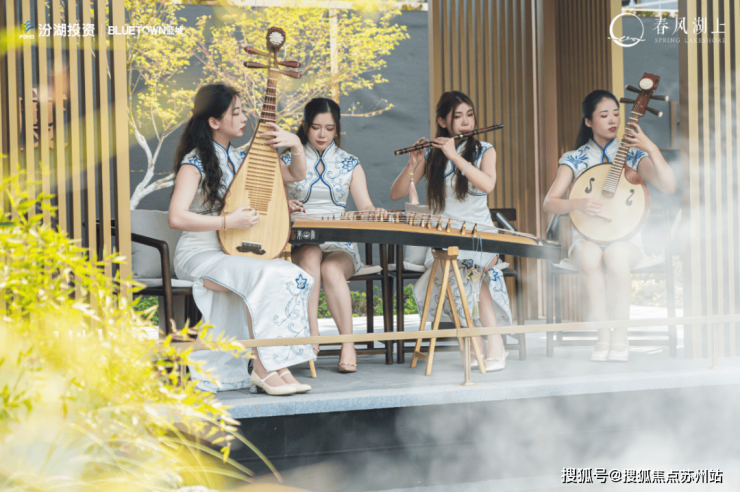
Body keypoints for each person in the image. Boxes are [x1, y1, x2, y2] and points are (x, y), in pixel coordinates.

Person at [169, 83, 316, 395]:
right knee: (267, 274)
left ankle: (279, 364)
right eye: (235, 112)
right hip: (201, 254)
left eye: (242, 110)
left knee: (293, 274)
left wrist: (295, 144)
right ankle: (263, 368)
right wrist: (228, 221)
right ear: (214, 121)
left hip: (235, 252)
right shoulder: (194, 162)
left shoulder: (240, 158)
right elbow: (176, 217)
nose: (243, 117)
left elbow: (295, 174)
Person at [542, 89, 677, 362]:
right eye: (604, 115)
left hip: (627, 241)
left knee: (615, 255)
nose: (613, 119)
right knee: (590, 255)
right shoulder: (574, 158)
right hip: (586, 238)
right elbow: (549, 203)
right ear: (588, 121)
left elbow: (669, 186)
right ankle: (603, 334)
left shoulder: (633, 155)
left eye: (616, 113)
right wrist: (577, 203)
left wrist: (650, 148)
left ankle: (621, 336)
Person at [390, 91, 513, 372]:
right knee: (455, 268)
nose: (466, 122)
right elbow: (396, 193)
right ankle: (479, 342)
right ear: (442, 122)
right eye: (458, 117)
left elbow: (487, 185)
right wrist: (412, 164)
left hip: (480, 237)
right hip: (443, 239)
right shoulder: (432, 154)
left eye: (470, 115)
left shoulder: (485, 150)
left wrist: (454, 156)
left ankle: (486, 343)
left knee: (466, 269)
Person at [283, 98, 383, 373]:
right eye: (316, 127)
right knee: (312, 253)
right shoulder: (288, 159)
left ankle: (348, 344)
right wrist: (284, 204)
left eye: (329, 128)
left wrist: (373, 211)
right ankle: (311, 330)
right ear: (306, 126)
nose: (322, 134)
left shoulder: (350, 163)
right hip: (300, 241)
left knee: (331, 268)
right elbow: (272, 200)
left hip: (340, 243)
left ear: (337, 129)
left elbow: (365, 206)